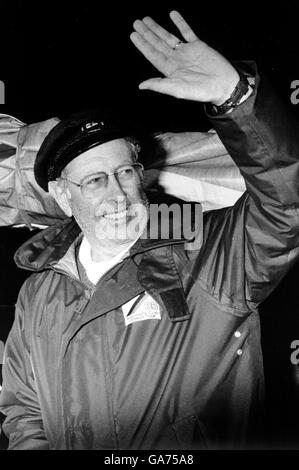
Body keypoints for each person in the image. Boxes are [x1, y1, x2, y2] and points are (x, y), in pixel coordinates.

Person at [0, 10, 299, 450]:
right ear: (63, 197)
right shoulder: (38, 293)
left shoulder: (208, 255)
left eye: (125, 172)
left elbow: (287, 206)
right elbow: (24, 409)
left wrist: (234, 98)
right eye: (96, 181)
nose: (118, 194)